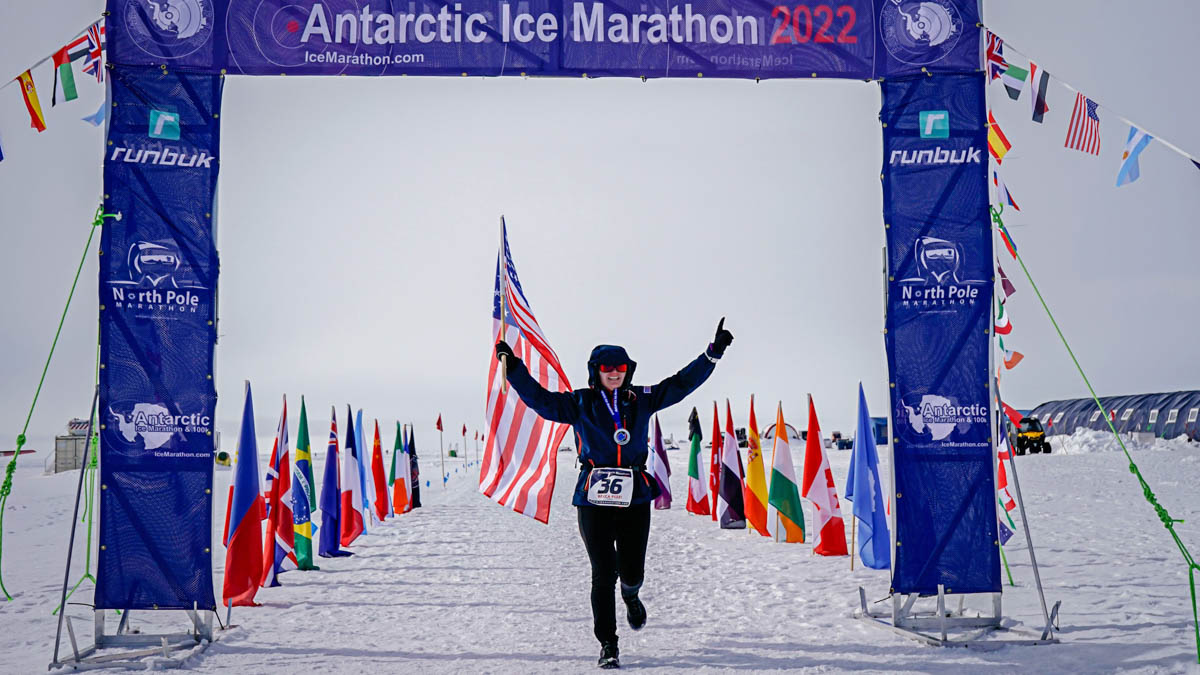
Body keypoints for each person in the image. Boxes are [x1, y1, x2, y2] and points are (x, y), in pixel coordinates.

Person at [495, 319, 734, 669]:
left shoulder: (642, 400)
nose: (614, 373)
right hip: (593, 498)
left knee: (632, 569)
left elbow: (680, 385)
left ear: (628, 370)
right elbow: (543, 402)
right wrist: (513, 367)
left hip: (634, 495)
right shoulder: (580, 402)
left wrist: (711, 355)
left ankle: (632, 594)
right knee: (603, 572)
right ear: (596, 371)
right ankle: (608, 643)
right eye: (607, 368)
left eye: (620, 368)